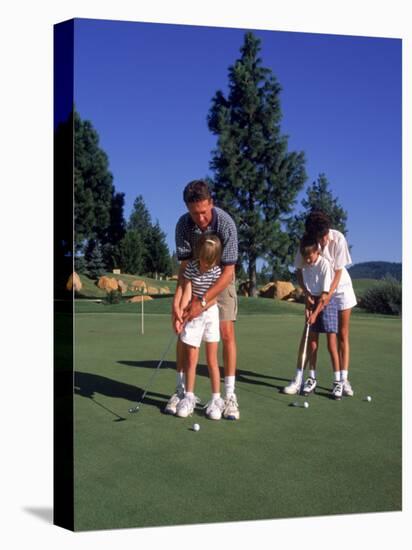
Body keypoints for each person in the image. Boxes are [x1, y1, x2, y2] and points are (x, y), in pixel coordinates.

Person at [164, 180, 240, 420]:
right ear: (187, 209)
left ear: (211, 203)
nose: (201, 219)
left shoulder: (226, 224)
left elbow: (228, 272)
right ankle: (181, 391)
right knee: (183, 333)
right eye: (195, 213)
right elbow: (185, 268)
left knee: (225, 333)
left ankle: (228, 396)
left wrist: (204, 302)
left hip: (221, 280)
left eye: (204, 212)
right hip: (193, 279)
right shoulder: (183, 225)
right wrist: (177, 305)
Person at [293, 211, 357, 396]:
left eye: (326, 233)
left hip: (341, 289)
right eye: (321, 236)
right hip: (317, 291)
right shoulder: (308, 243)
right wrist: (307, 294)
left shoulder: (338, 238)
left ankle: (343, 380)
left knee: (342, 335)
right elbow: (299, 269)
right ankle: (301, 378)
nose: (325, 239)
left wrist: (328, 294)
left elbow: (338, 271)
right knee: (311, 335)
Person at [173, 234, 225, 419]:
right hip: (193, 314)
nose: (204, 266)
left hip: (210, 313)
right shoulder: (193, 267)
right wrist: (182, 312)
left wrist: (198, 308)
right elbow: (187, 291)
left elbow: (214, 298)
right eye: (202, 261)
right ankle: (189, 397)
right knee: (191, 359)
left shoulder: (217, 272)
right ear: (197, 256)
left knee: (212, 359)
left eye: (208, 264)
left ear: (215, 260)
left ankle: (216, 400)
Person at [283, 234, 342, 398]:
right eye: (305, 257)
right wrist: (307, 300)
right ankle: (312, 378)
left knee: (331, 344)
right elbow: (307, 285)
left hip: (327, 302)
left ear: (317, 252)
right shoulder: (306, 265)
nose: (308, 260)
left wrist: (315, 313)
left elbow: (324, 295)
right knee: (313, 343)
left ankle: (338, 382)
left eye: (310, 257)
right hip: (314, 299)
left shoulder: (324, 265)